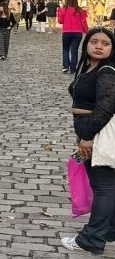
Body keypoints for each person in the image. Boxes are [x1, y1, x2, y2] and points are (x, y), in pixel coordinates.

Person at [61, 28, 115, 255]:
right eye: (94, 41)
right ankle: (109, 230)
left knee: (104, 188)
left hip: (98, 134)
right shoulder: (91, 67)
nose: (99, 46)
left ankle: (91, 239)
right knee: (108, 186)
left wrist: (87, 135)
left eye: (106, 43)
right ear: (86, 45)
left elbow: (106, 106)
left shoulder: (107, 72)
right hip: (90, 132)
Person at [59, 0, 89, 74]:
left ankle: (66, 67)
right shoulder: (81, 11)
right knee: (74, 50)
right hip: (78, 32)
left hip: (66, 32)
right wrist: (87, 31)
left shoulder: (63, 10)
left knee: (65, 49)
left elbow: (60, 21)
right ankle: (73, 68)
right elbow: (83, 22)